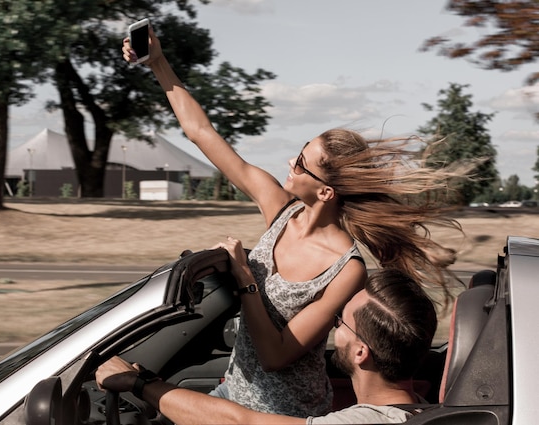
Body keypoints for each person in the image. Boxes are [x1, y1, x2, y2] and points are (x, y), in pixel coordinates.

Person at [120, 26, 466, 417]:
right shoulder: (279, 209)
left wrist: (245, 277)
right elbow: (202, 133)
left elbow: (276, 355)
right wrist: (158, 63)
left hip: (284, 413)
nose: (290, 163)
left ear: (325, 192)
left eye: (302, 163)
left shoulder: (347, 270)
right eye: (298, 153)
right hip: (231, 391)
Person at [96, 269, 438, 424]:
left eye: (339, 320)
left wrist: (138, 383)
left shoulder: (362, 423)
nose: (334, 327)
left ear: (362, 352)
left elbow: (239, 423)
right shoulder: (424, 410)